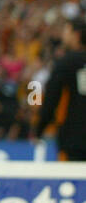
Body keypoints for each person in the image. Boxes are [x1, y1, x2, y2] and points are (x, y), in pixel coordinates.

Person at [34, 17, 86, 161]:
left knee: (72, 182)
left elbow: (51, 98)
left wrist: (39, 129)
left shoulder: (66, 62)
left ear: (76, 35)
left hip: (73, 139)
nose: (64, 35)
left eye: (66, 31)